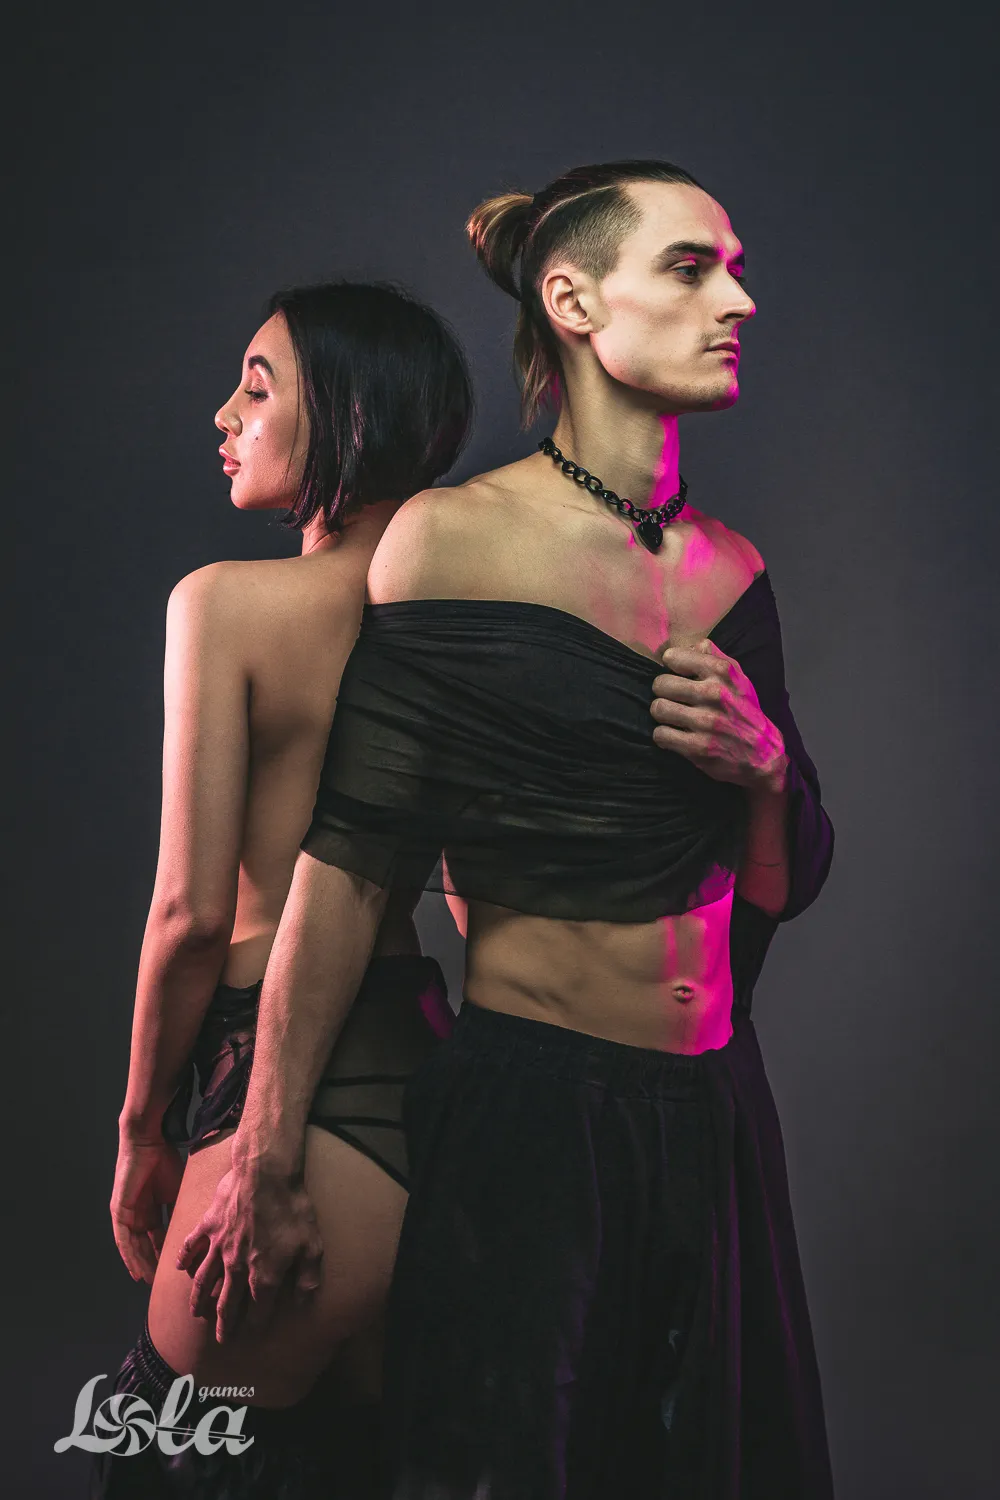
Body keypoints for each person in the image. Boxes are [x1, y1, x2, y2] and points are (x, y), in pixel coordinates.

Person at [182, 161, 836, 1498]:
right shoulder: (451, 543)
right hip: (536, 1114)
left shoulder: (735, 570)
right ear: (575, 302)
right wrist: (264, 1149)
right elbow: (350, 866)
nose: (739, 302)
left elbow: (775, 885)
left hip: (714, 1113)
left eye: (734, 268)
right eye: (693, 268)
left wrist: (767, 771)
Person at [94, 281, 472, 1499]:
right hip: (427, 1094)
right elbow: (475, 896)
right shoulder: (458, 630)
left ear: (351, 416)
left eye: (257, 389)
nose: (224, 414)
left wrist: (143, 1128)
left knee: (161, 1463)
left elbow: (191, 916)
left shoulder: (226, 606)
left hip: (282, 1098)